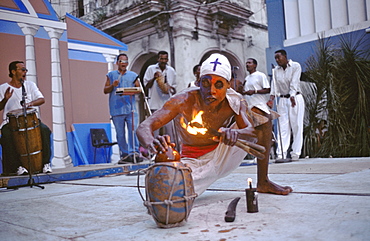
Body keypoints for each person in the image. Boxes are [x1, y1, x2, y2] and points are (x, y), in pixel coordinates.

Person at [137, 53, 293, 196]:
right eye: (205, 83)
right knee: (166, 192)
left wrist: (236, 134)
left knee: (262, 114)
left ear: (228, 85)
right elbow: (144, 127)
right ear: (198, 82)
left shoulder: (235, 100)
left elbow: (251, 131)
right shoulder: (183, 100)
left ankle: (263, 181)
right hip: (194, 161)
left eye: (219, 85)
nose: (211, 91)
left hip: (225, 152)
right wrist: (151, 143)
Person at [0, 61, 52, 175]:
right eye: (22, 69)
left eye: (25, 70)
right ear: (13, 72)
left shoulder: (29, 85)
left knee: (45, 130)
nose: (25, 72)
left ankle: (45, 163)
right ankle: (17, 167)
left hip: (31, 121)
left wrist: (30, 104)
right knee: (6, 135)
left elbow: (41, 99)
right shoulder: (3, 88)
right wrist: (5, 99)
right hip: (10, 122)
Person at [267, 49, 305, 162]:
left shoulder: (295, 66)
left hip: (295, 98)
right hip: (282, 99)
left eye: (279, 57)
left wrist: (292, 95)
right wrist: (271, 99)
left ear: (285, 56)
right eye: (276, 58)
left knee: (296, 126)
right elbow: (274, 85)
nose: (277, 60)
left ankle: (295, 153)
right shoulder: (276, 71)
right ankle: (281, 154)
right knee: (282, 127)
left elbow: (295, 82)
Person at [104, 53, 142, 163]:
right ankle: (125, 155)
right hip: (116, 109)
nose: (123, 63)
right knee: (120, 134)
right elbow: (105, 90)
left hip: (130, 109)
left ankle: (134, 153)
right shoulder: (111, 75)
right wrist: (113, 85)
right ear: (117, 63)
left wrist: (134, 89)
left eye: (125, 61)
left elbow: (138, 89)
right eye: (121, 61)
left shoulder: (133, 75)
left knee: (133, 131)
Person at [143, 51, 177, 145]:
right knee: (155, 130)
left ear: (167, 59)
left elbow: (174, 89)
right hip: (155, 104)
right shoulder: (151, 69)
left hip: (167, 106)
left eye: (165, 59)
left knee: (170, 130)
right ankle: (155, 152)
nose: (163, 61)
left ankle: (172, 149)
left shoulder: (171, 70)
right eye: (161, 59)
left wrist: (169, 87)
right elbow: (146, 86)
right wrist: (154, 78)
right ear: (158, 59)